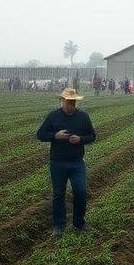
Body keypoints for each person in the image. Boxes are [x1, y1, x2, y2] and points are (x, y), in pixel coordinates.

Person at [37, 88, 97, 236]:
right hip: (57, 162)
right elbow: (40, 134)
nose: (70, 105)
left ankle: (79, 223)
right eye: (68, 102)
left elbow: (92, 136)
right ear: (62, 101)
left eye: (73, 102)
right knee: (58, 194)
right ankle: (59, 225)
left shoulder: (83, 117)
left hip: (77, 162)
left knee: (81, 192)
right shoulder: (53, 116)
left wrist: (81, 139)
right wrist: (55, 136)